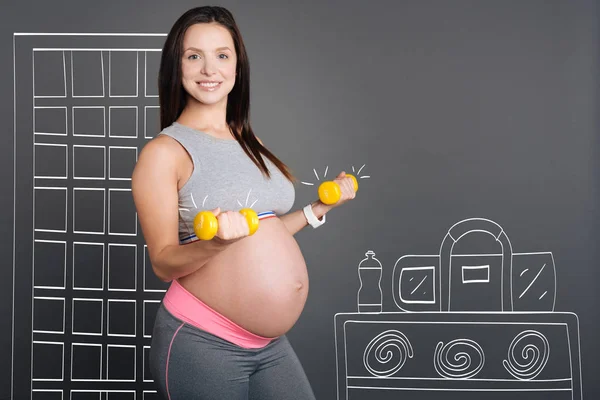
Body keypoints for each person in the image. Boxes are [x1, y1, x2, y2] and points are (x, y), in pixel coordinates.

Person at [132, 6, 356, 399]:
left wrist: (317, 210)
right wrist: (215, 243)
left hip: (268, 345)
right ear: (177, 66)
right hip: (203, 341)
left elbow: (261, 231)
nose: (209, 69)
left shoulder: (252, 144)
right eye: (193, 56)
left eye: (222, 55)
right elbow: (163, 262)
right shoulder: (164, 153)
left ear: (238, 66)